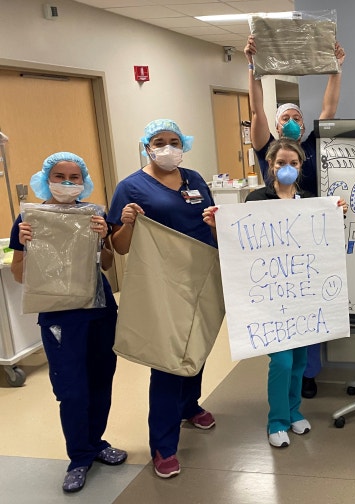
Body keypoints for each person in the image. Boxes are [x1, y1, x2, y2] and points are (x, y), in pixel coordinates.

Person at [202, 138, 347, 448]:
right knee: (281, 362)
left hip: (302, 296)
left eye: (293, 163)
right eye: (280, 162)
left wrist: (337, 213)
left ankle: (294, 413)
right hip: (270, 297)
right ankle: (276, 421)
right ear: (270, 165)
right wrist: (217, 226)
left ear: (300, 167)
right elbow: (236, 244)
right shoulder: (256, 199)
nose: (287, 168)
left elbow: (324, 242)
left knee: (298, 362)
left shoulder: (311, 200)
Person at [10, 152, 127, 493]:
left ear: (84, 181)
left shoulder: (94, 214)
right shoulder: (29, 219)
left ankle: (96, 443)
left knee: (102, 380)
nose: (67, 182)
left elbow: (106, 264)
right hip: (60, 317)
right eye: (59, 176)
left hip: (99, 310)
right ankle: (79, 457)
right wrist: (28, 245)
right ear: (45, 178)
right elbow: (19, 276)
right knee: (72, 390)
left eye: (74, 177)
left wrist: (104, 235)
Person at [107, 119, 217, 478]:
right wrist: (127, 223)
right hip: (162, 283)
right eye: (159, 141)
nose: (167, 147)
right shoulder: (131, 187)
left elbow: (212, 221)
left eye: (174, 141)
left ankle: (190, 405)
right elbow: (119, 248)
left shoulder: (195, 179)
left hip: (202, 276)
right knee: (167, 359)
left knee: (198, 342)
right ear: (147, 146)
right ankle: (164, 445)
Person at [244, 34, 347, 398]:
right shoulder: (268, 150)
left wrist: (336, 69)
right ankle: (282, 366)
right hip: (276, 236)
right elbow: (256, 111)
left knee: (308, 299)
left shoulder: (310, 147)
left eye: (297, 118)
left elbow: (329, 111)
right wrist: (253, 68)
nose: (292, 122)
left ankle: (307, 373)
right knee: (283, 298)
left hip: (311, 235)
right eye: (285, 117)